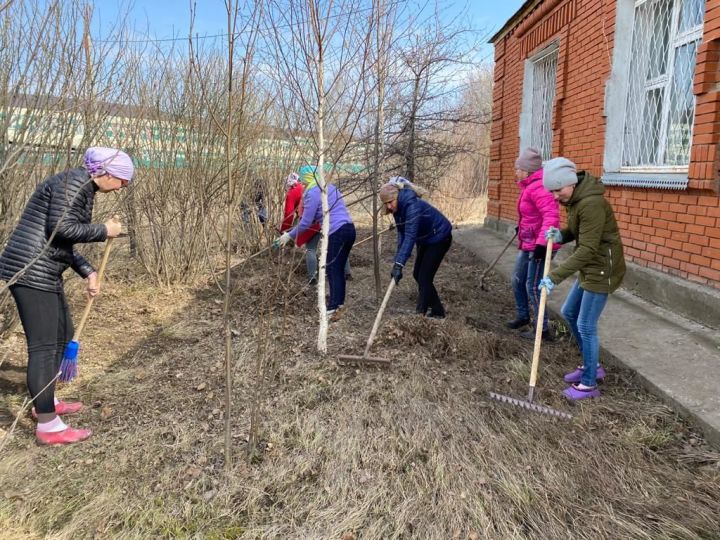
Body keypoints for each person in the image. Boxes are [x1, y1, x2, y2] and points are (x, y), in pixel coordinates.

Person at [0, 147, 133, 445]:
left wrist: (89, 272)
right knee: (44, 348)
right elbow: (62, 228)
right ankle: (48, 425)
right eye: (123, 181)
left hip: (46, 270)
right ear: (108, 174)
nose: (122, 187)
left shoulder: (81, 186)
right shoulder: (73, 183)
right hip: (31, 271)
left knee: (64, 334)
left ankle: (47, 400)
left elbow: (62, 242)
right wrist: (104, 229)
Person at [538, 157, 626, 401]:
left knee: (586, 325)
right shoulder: (575, 200)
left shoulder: (591, 204)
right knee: (570, 312)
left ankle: (589, 384)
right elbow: (580, 232)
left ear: (570, 183)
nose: (555, 196)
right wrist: (561, 235)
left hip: (602, 269)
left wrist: (555, 276)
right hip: (591, 266)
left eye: (557, 190)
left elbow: (586, 249)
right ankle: (592, 365)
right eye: (552, 191)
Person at [276, 165, 355, 318]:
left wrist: (288, 235)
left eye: (304, 181)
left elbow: (306, 222)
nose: (303, 184)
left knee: (333, 269)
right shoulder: (330, 187)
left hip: (336, 231)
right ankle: (339, 305)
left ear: (308, 178)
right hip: (350, 229)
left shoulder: (312, 193)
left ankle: (333, 307)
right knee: (338, 268)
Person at [505, 147, 560, 340]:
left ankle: (542, 329)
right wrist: (522, 228)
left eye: (518, 168)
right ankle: (523, 316)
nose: (516, 172)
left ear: (527, 170)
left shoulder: (540, 188)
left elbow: (551, 217)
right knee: (517, 279)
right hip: (529, 241)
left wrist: (542, 245)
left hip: (540, 246)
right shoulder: (529, 185)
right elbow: (532, 216)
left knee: (533, 285)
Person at [380, 178, 452, 319]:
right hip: (425, 238)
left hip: (440, 237)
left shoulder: (412, 206)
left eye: (390, 202)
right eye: (386, 204)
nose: (388, 206)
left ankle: (419, 317)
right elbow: (402, 234)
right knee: (417, 274)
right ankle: (438, 310)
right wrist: (397, 263)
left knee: (424, 277)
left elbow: (410, 236)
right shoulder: (398, 209)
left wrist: (400, 264)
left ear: (396, 196)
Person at [279, 171, 351, 285]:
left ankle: (312, 278)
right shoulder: (328, 187)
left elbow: (291, 213)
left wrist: (285, 231)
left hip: (312, 222)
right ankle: (347, 273)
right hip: (328, 221)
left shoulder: (299, 192)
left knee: (311, 248)